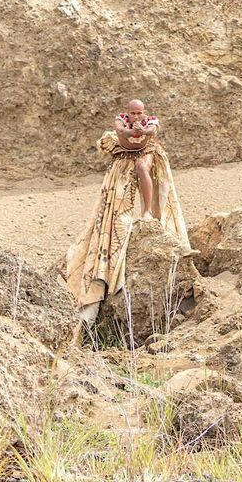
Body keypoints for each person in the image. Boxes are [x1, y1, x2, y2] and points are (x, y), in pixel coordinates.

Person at [60, 99, 190, 323]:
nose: (137, 116)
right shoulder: (122, 121)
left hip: (145, 152)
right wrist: (130, 130)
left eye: (140, 112)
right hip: (126, 155)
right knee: (118, 195)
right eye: (134, 113)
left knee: (142, 167)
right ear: (128, 113)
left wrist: (143, 130)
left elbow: (151, 130)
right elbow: (120, 132)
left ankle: (148, 211)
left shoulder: (149, 122)